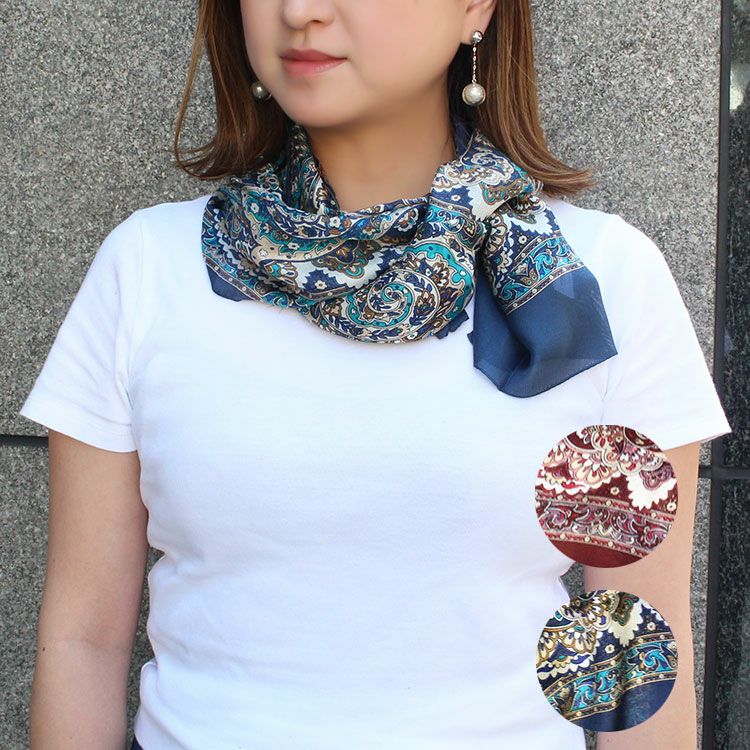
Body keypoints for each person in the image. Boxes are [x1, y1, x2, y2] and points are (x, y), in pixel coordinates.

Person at [19, 1, 732, 749]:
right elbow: (82, 639)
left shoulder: (601, 280)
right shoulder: (148, 268)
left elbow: (633, 667)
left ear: (475, 8)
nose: (300, 11)